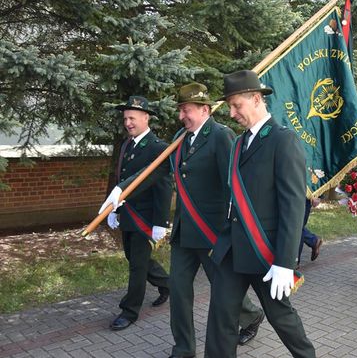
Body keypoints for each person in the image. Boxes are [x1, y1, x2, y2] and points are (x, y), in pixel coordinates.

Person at [205, 70, 316, 358]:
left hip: (264, 250)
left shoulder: (283, 140)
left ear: (256, 99)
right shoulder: (240, 143)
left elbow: (293, 206)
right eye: (229, 106)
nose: (231, 113)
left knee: (281, 318)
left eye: (236, 105)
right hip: (233, 248)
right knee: (220, 315)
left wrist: (285, 262)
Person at [168, 83, 264, 358]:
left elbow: (233, 183)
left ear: (204, 109)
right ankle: (184, 348)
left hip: (212, 232)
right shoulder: (180, 137)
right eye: (180, 110)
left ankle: (251, 315)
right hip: (184, 231)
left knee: (223, 289)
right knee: (178, 290)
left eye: (186, 110)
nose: (181, 116)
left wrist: (232, 228)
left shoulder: (221, 136)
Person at [99, 96, 171, 331]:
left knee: (137, 266)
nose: (128, 123)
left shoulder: (158, 147)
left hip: (145, 218)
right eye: (125, 118)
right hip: (127, 214)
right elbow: (123, 181)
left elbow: (163, 186)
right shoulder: (127, 144)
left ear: (145, 117)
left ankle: (130, 311)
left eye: (132, 118)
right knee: (134, 258)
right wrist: (114, 209)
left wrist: (161, 222)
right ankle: (167, 284)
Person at [297, 198, 323, 268]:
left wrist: (319, 196)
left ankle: (295, 261)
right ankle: (313, 241)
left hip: (304, 197)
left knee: (298, 227)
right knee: (296, 226)